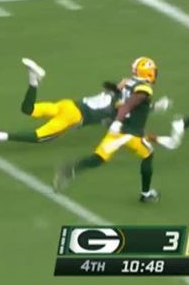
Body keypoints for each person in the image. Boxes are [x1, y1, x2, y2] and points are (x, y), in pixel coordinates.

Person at [0, 58, 169, 149]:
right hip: (74, 116)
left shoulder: (118, 91)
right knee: (40, 137)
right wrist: (154, 107)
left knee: (29, 109)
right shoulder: (125, 100)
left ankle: (33, 80)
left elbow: (118, 100)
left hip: (68, 104)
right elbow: (126, 111)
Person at [54, 57, 165, 203]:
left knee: (99, 157)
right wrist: (118, 122)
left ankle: (70, 170)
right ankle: (146, 194)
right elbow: (129, 105)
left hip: (120, 131)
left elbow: (124, 103)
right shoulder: (144, 88)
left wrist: (153, 107)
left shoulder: (128, 83)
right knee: (148, 154)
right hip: (130, 133)